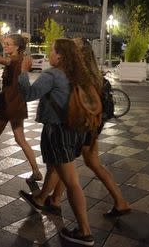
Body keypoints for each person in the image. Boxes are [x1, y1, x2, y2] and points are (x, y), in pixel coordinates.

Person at [34, 38, 130, 218]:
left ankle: (118, 203)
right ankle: (54, 199)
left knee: (75, 164)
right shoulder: (91, 75)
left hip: (85, 126)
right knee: (74, 164)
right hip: (93, 125)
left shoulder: (81, 76)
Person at [17, 38, 95, 246]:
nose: (49, 54)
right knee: (56, 166)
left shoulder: (52, 74)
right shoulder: (77, 74)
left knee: (72, 182)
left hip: (58, 130)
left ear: (59, 55)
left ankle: (85, 231)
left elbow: (28, 94)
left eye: (51, 51)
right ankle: (46, 199)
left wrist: (24, 71)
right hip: (75, 130)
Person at [0, 33, 42, 182]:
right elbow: (7, 50)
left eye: (8, 44)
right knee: (20, 138)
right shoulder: (21, 57)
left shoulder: (12, 60)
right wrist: (1, 39)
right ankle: (36, 170)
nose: (5, 46)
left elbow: (0, 59)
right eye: (4, 44)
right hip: (18, 104)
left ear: (17, 46)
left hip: (7, 104)